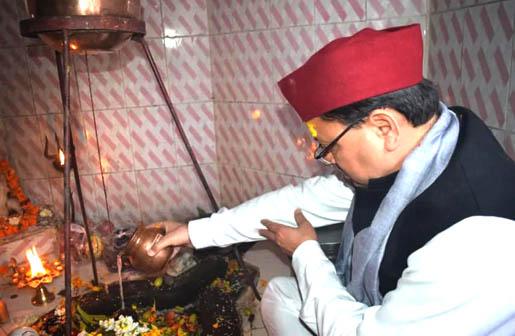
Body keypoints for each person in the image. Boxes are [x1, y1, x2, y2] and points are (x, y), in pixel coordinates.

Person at [149, 24, 515, 335]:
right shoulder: (429, 143)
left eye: (327, 145)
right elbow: (302, 202)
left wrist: (307, 253)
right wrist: (194, 232)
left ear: (384, 127)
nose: (318, 157)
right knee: (281, 294)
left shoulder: (476, 237)